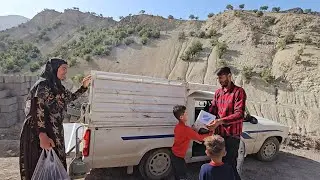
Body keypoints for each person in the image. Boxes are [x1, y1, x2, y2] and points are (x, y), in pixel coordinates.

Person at [19, 58, 91, 180]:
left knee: (54, 166)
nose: (65, 72)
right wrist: (42, 135)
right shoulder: (43, 85)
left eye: (66, 69)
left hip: (54, 131)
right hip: (38, 133)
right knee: (39, 165)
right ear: (54, 68)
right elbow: (37, 108)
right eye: (63, 68)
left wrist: (83, 87)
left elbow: (71, 97)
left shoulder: (58, 87)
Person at [207, 67, 246, 180]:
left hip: (232, 136)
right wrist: (205, 121)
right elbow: (213, 109)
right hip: (219, 135)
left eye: (221, 77)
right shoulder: (218, 93)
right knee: (218, 164)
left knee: (230, 165)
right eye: (218, 78)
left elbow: (240, 114)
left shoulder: (239, 92)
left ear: (229, 76)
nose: (220, 80)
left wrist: (220, 121)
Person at [171, 105, 214, 180]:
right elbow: (200, 138)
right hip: (179, 157)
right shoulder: (186, 129)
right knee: (183, 176)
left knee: (177, 175)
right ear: (181, 117)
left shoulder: (178, 126)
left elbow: (188, 134)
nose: (187, 115)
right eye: (186, 114)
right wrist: (211, 134)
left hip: (174, 154)